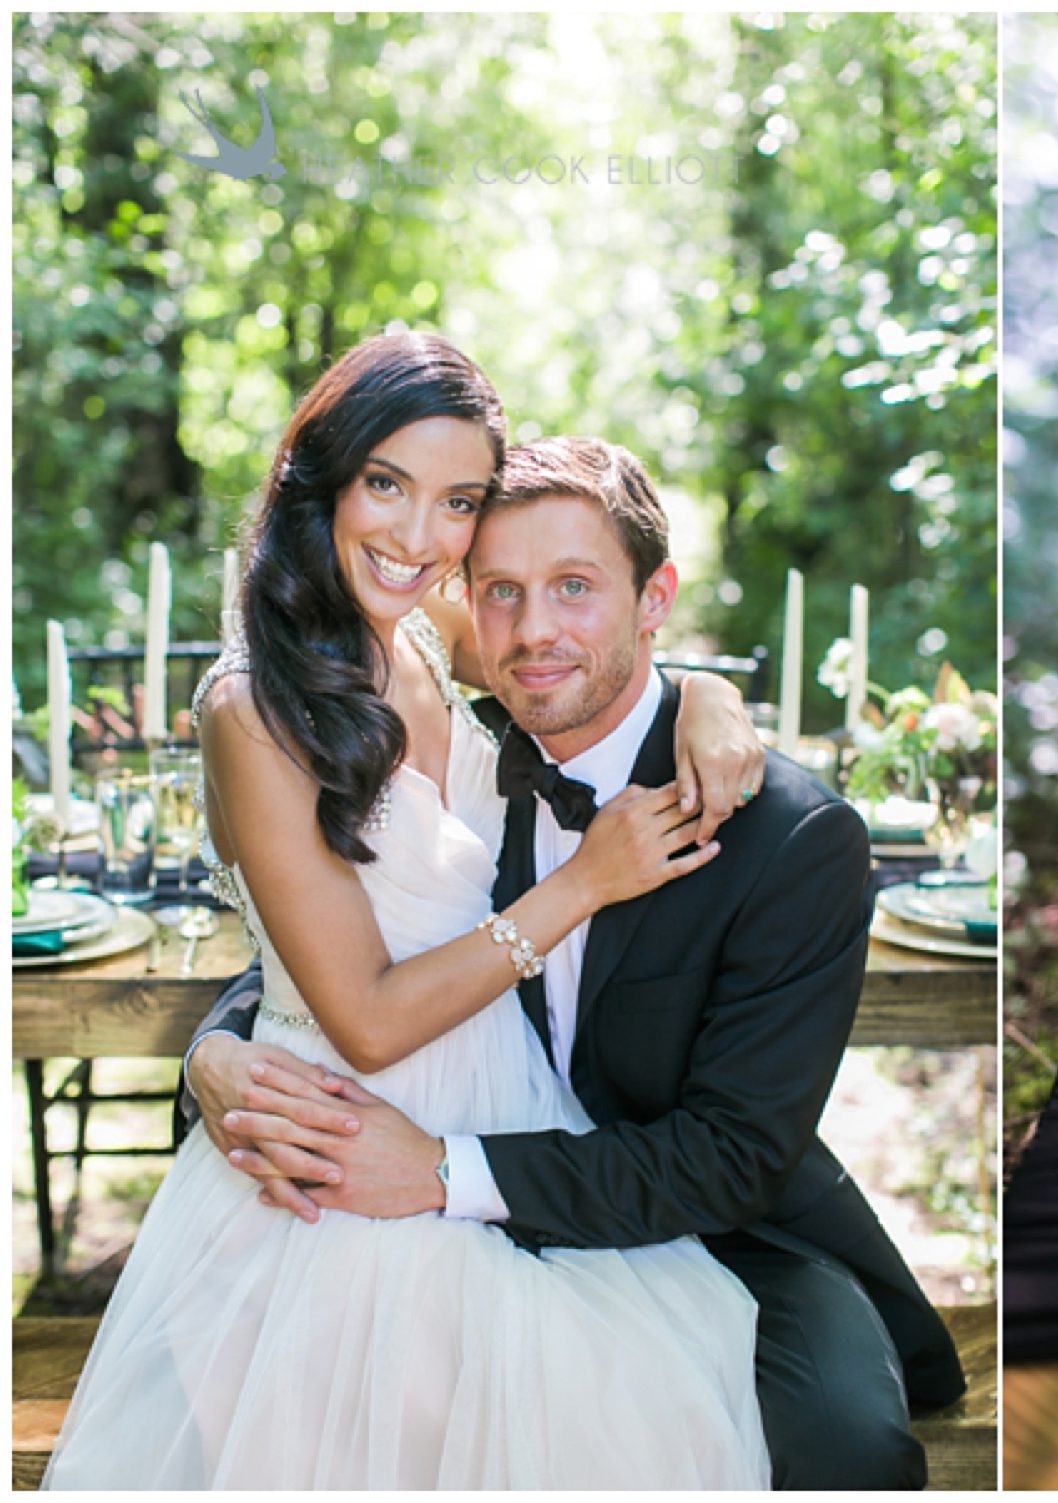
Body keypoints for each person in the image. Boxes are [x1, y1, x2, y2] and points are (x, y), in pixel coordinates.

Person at [43, 333, 775, 1488]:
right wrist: (579, 886)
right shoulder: (255, 709)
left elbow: (591, 656)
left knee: (637, 1407)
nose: (419, 536)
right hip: (345, 1131)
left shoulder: (433, 645)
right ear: (323, 479)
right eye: (387, 483)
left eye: (457, 502)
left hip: (502, 1106)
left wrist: (714, 701)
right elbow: (369, 1017)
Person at [182, 437, 968, 1484]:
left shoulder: (788, 836)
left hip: (711, 1223)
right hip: (463, 1204)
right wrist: (217, 1050)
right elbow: (356, 939)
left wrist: (441, 1172)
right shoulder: (468, 743)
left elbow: (731, 1159)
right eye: (500, 592)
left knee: (844, 1450)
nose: (534, 630)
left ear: (655, 601)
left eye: (575, 588)